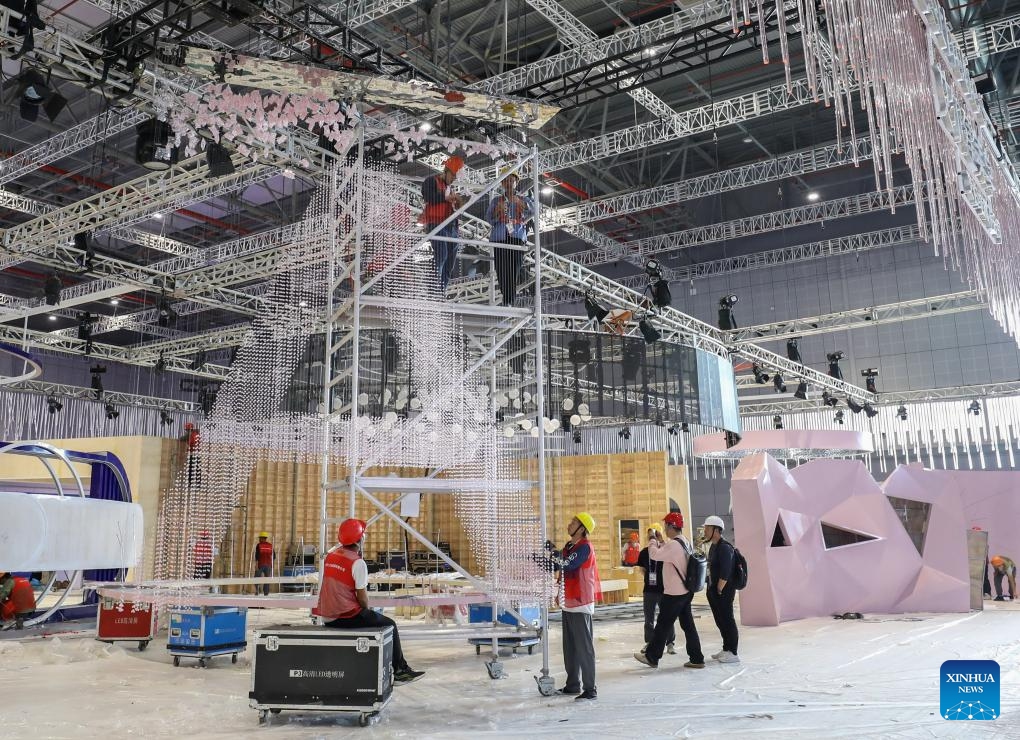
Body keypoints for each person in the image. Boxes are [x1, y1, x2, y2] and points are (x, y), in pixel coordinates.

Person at [315, 518, 424, 684]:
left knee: (375, 618)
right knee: (390, 624)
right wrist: (371, 611)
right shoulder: (357, 563)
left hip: (327, 616)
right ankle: (401, 671)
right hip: (345, 616)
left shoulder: (330, 557)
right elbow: (363, 600)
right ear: (360, 540)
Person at [634, 511, 705, 670]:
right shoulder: (684, 541)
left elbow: (654, 555)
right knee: (688, 626)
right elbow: (671, 554)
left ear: (672, 526)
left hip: (674, 593)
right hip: (685, 591)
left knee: (663, 625)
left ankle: (652, 657)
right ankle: (697, 658)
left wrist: (652, 539)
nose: (665, 529)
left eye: (666, 526)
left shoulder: (673, 544)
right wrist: (661, 541)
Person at [547, 512, 600, 701]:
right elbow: (558, 565)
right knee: (570, 647)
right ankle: (572, 685)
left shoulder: (585, 547)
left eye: (574, 523)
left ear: (582, 529)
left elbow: (568, 564)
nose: (569, 525)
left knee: (584, 647)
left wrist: (552, 553)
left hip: (581, 603)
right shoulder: (570, 546)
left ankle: (590, 688)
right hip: (568, 602)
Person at [485, 170, 533, 305]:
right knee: (501, 269)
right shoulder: (496, 201)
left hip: (516, 237)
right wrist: (497, 212)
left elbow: (534, 210)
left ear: (516, 182)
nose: (509, 183)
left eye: (511, 180)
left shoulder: (523, 199)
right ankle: (508, 298)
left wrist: (523, 204)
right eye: (506, 180)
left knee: (514, 268)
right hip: (500, 237)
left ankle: (509, 299)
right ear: (502, 183)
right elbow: (489, 218)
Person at [421, 155, 465, 294]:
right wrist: (446, 198)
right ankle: (433, 290)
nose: (453, 180)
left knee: (449, 263)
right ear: (446, 171)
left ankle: (440, 292)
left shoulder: (450, 190)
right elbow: (428, 197)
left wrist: (458, 204)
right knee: (442, 255)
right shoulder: (431, 181)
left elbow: (456, 211)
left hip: (451, 228)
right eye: (452, 176)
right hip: (436, 224)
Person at [702, 515, 739, 663]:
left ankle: (733, 652)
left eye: (707, 528)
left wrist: (719, 589)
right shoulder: (714, 546)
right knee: (720, 620)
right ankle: (726, 648)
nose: (705, 531)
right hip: (714, 590)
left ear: (716, 530)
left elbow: (725, 571)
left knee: (727, 619)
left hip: (724, 590)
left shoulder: (725, 548)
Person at [636, 524, 675, 656]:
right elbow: (642, 570)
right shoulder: (643, 552)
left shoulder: (665, 550)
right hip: (649, 590)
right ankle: (649, 642)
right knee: (649, 618)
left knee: (667, 617)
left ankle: (670, 643)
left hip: (664, 590)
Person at [253, 531, 275, 596]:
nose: (259, 539)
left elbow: (257, 556)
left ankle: (257, 591)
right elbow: (274, 556)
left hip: (260, 564)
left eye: (260, 538)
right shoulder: (270, 545)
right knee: (267, 580)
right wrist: (271, 564)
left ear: (263, 538)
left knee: (256, 578)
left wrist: (256, 565)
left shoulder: (259, 545)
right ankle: (266, 593)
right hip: (268, 565)